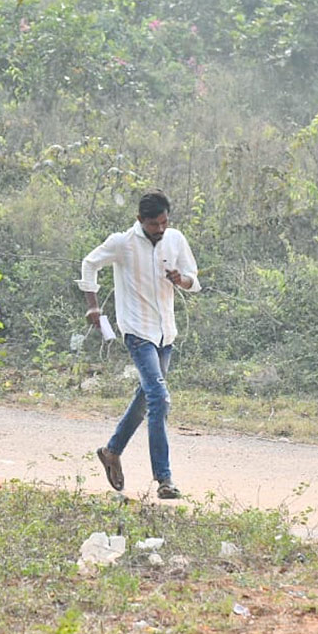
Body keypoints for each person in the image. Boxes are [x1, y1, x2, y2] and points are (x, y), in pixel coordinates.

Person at [78, 190, 201, 499]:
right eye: (153, 224)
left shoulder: (175, 239)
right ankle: (164, 478)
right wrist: (93, 306)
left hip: (165, 334)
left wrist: (180, 280)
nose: (159, 229)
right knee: (160, 398)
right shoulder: (123, 243)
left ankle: (111, 451)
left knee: (146, 399)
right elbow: (89, 263)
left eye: (163, 222)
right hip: (137, 332)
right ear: (139, 220)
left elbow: (193, 280)